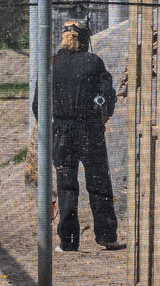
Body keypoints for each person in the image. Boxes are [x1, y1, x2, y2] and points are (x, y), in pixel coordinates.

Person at [35, 19, 125, 253]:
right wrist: (100, 119)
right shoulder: (94, 63)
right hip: (90, 132)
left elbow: (38, 105)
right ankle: (106, 235)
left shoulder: (51, 64)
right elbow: (108, 98)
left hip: (61, 133)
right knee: (99, 183)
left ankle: (68, 242)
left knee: (66, 186)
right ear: (85, 40)